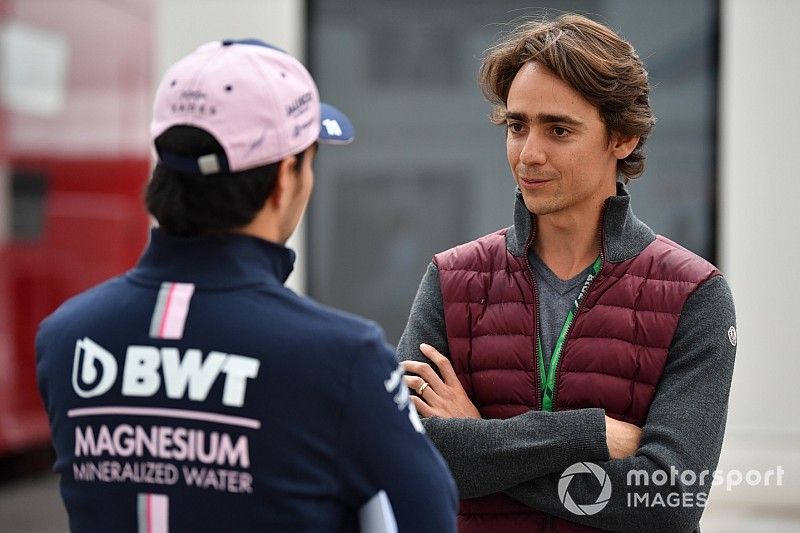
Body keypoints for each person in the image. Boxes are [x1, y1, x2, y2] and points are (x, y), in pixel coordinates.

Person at [36, 39, 457, 533]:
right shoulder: (344, 357)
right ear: (284, 177)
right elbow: (425, 519)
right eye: (310, 159)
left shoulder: (66, 337)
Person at [398, 14, 736, 533]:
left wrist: (477, 441)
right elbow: (404, 456)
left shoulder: (695, 293)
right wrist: (589, 433)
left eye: (558, 129)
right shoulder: (452, 278)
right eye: (517, 126)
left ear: (621, 138)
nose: (529, 154)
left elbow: (669, 500)